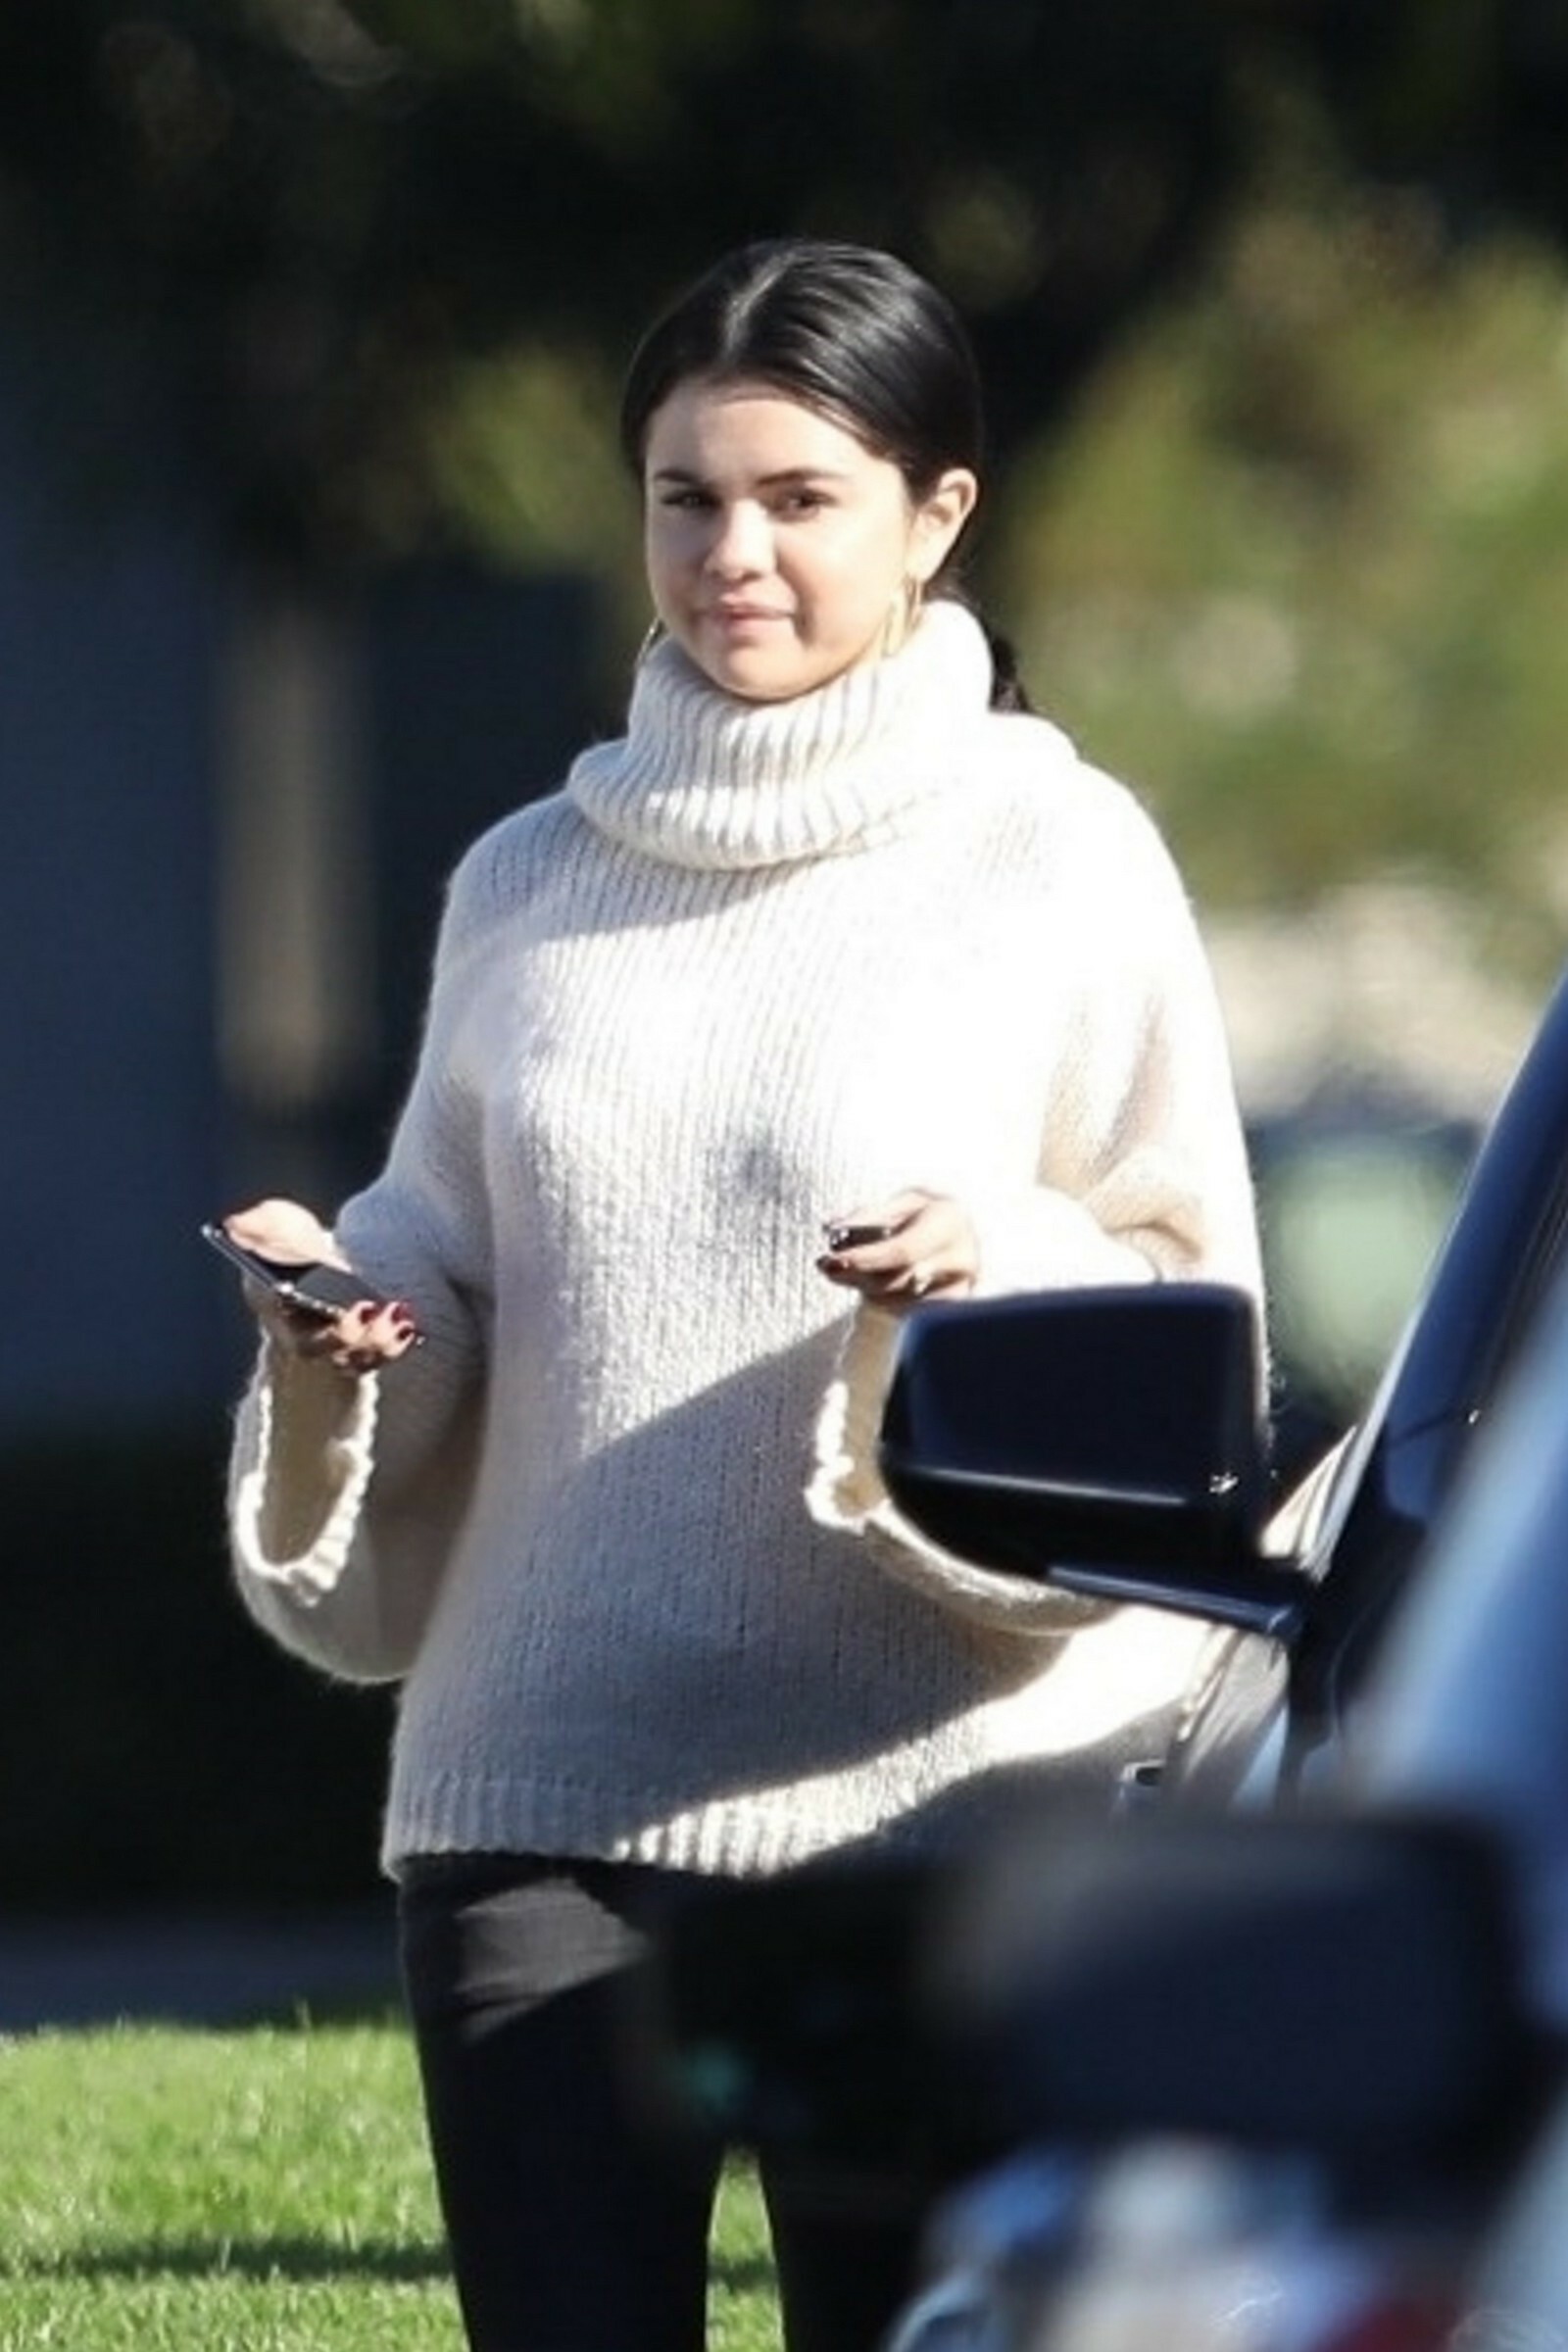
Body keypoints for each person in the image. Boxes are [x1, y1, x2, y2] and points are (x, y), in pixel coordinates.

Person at [220, 236, 1264, 2352]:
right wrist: (345, 1313)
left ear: (936, 515)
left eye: (800, 499)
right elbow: (453, 1243)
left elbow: (1182, 1294)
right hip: (540, 1794)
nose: (731, 557)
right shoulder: (525, 877)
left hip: (948, 1810)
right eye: (684, 499)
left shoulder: (1058, 858)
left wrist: (994, 1254)